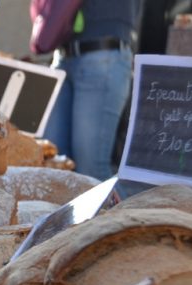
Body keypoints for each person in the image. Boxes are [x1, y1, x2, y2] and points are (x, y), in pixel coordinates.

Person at [40, 0, 144, 180]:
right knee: (53, 165)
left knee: (90, 169)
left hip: (103, 53)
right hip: (62, 57)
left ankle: (127, 209)